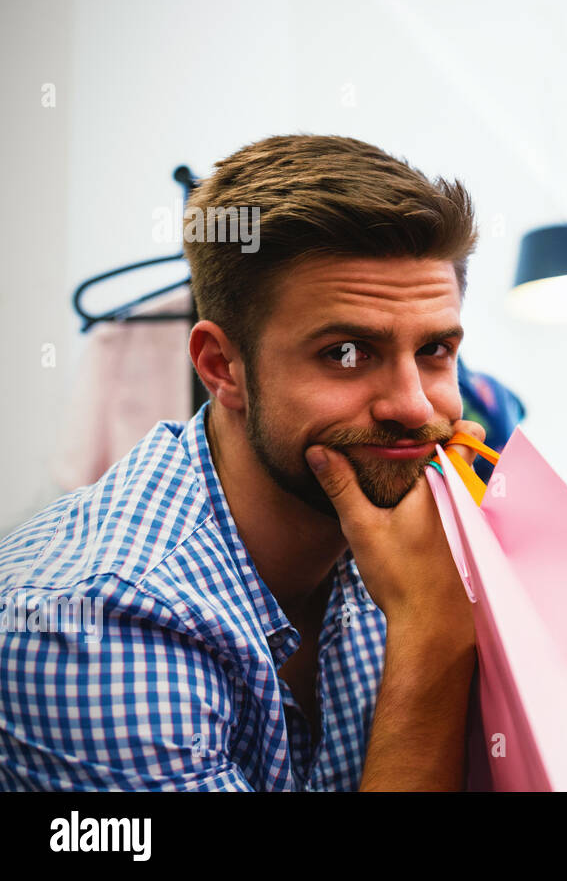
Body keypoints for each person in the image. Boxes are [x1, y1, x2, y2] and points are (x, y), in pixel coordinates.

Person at [0, 134, 488, 791]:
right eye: (347, 353)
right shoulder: (87, 623)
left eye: (434, 351)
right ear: (220, 366)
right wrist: (433, 634)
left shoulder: (433, 530)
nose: (412, 405)